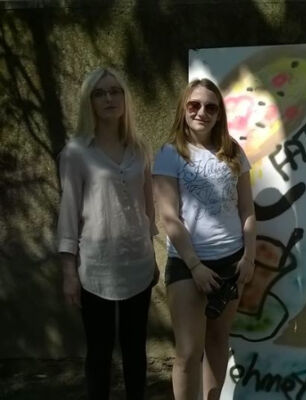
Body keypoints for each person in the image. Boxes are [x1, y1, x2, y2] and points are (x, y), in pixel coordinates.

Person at [57, 67, 158, 400]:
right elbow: (68, 214)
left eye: (115, 91)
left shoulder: (140, 149)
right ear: (89, 102)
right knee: (99, 353)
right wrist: (68, 272)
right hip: (96, 268)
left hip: (138, 264)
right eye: (99, 93)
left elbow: (148, 208)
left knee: (135, 350)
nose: (109, 98)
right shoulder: (75, 153)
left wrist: (153, 255)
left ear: (125, 98)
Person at [153, 78, 255, 400]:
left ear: (219, 113)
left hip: (231, 262)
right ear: (183, 108)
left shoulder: (233, 151)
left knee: (217, 340)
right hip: (187, 263)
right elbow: (169, 217)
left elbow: (247, 210)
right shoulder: (170, 153)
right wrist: (195, 266)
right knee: (188, 351)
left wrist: (249, 257)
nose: (202, 112)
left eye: (211, 107)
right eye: (194, 105)